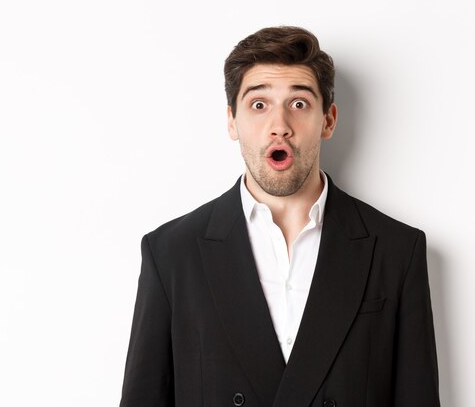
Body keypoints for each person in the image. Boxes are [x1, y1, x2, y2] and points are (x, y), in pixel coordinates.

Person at [119, 26, 440, 407]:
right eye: (259, 105)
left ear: (328, 120)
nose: (279, 126)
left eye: (299, 103)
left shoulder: (396, 251)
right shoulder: (171, 254)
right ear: (231, 121)